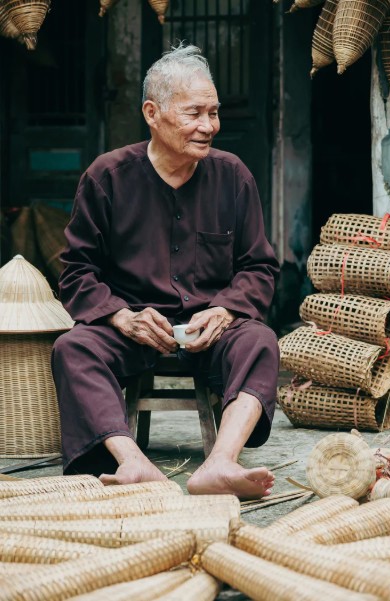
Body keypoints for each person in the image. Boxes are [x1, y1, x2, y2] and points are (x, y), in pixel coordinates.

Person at [52, 44, 280, 500]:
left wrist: (226, 310)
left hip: (210, 331)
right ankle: (132, 462)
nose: (209, 126)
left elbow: (258, 266)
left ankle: (221, 462)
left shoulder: (233, 176)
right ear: (152, 114)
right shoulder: (107, 177)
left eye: (214, 113)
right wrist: (121, 317)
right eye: (194, 113)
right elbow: (76, 271)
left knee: (260, 341)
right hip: (133, 327)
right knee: (72, 348)